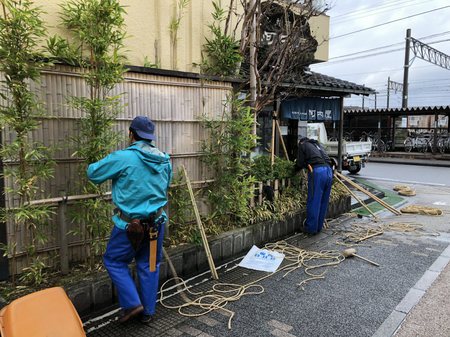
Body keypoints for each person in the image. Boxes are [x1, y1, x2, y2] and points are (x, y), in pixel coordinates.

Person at [87, 116, 172, 325]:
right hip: (156, 226)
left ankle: (133, 304)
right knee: (149, 265)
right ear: (151, 137)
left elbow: (93, 173)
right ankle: (148, 312)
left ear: (131, 134)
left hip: (129, 226)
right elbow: (166, 185)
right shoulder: (165, 159)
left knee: (114, 261)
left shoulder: (124, 157)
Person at [296, 136, 334, 235]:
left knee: (314, 200)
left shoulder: (302, 145)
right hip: (329, 171)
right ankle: (318, 227)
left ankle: (311, 228)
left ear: (301, 142)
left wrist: (294, 171)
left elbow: (299, 163)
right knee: (323, 201)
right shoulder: (318, 144)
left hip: (318, 171)